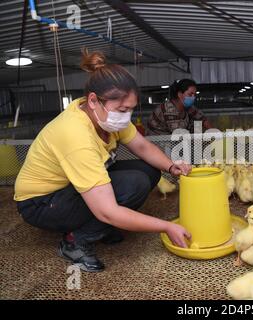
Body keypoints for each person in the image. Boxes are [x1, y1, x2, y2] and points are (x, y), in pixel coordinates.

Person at [14, 49, 192, 272]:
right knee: (132, 185)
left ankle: (102, 228)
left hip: (69, 187)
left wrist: (171, 166)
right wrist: (166, 226)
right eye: (121, 110)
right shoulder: (75, 134)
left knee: (148, 169)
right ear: (93, 101)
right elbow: (106, 210)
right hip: (41, 203)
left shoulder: (107, 116)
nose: (126, 116)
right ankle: (75, 241)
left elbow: (142, 146)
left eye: (130, 110)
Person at [147, 79, 212, 135]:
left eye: (194, 94)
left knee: (197, 124)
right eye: (190, 94)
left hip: (175, 142)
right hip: (158, 144)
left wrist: (213, 132)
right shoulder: (169, 110)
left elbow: (202, 118)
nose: (193, 97)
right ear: (180, 94)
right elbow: (179, 135)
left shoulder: (188, 107)